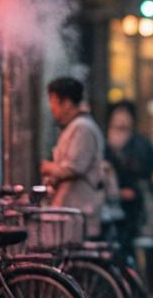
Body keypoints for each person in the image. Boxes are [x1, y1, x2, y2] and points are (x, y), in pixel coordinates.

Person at [42, 77, 109, 235]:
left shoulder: (82, 127)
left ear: (66, 102)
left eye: (53, 101)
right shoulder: (75, 126)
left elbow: (73, 169)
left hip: (79, 213)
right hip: (71, 214)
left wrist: (44, 167)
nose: (51, 108)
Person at [105, 100, 153, 274]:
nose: (121, 120)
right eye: (117, 117)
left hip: (134, 206)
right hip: (107, 204)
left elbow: (150, 168)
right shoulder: (104, 143)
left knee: (130, 245)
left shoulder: (140, 143)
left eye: (125, 116)